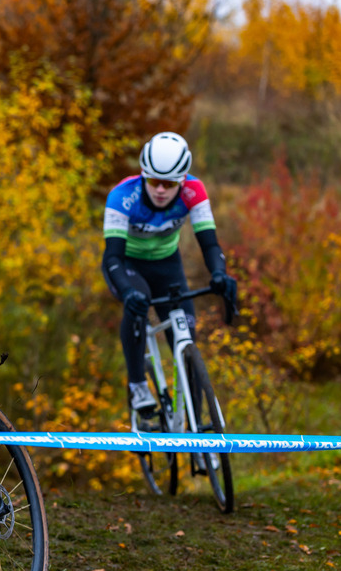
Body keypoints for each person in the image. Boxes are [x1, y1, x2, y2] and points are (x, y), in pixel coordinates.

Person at [101, 132, 238, 418]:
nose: (161, 190)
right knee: (137, 303)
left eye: (170, 183)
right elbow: (112, 256)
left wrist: (219, 274)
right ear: (143, 175)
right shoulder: (122, 197)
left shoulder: (194, 192)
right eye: (153, 181)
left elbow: (210, 244)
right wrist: (127, 291)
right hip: (127, 264)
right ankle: (138, 384)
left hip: (167, 265)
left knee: (186, 334)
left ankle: (195, 424)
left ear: (182, 181)